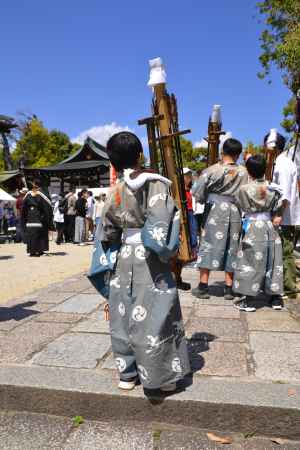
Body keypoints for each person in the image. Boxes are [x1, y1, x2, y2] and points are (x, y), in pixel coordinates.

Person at [91, 131, 190, 392]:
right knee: (158, 312)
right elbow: (162, 223)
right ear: (139, 155)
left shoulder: (115, 190)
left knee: (123, 311)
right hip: (150, 257)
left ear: (112, 161)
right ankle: (161, 375)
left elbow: (107, 231)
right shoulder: (156, 183)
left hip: (124, 254)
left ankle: (127, 374)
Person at [192, 138, 248, 300]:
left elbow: (197, 191)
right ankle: (229, 288)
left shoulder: (211, 170)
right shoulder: (244, 172)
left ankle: (203, 286)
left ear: (222, 151)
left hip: (215, 210)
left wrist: (205, 199)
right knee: (232, 246)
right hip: (235, 210)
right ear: (238, 154)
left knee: (209, 244)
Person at [233, 154, 284, 312]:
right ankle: (275, 298)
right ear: (265, 169)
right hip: (269, 226)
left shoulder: (243, 189)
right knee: (272, 259)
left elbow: (240, 205)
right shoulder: (274, 188)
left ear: (249, 171)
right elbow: (279, 205)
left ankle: (248, 299)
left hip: (253, 226)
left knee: (250, 260)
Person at [268, 131, 300, 299]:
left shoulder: (283, 164)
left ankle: (289, 288)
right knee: (281, 251)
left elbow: (285, 194)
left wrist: (279, 214)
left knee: (286, 251)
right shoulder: (277, 162)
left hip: (285, 216)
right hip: (281, 215)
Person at [21, 179, 54, 256]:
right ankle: (40, 250)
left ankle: (32, 251)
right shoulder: (43, 194)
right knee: (40, 234)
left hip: (30, 217)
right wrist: (47, 219)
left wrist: (24, 218)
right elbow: (47, 208)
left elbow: (24, 209)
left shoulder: (28, 195)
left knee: (31, 234)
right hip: (39, 217)